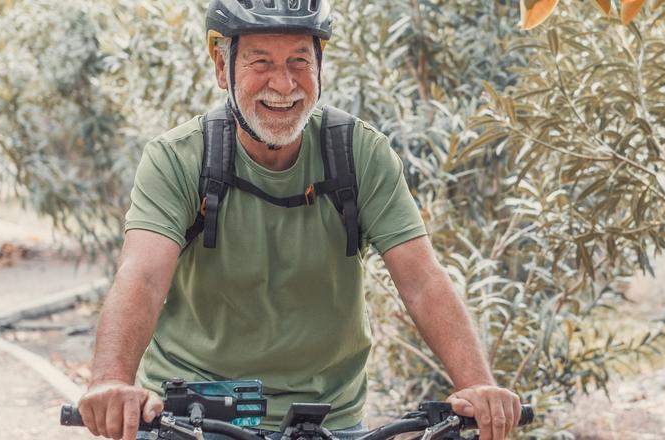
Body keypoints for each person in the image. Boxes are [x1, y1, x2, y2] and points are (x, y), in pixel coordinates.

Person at [76, 1, 522, 439]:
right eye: (260, 61)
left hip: (329, 420)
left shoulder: (358, 154)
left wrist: (477, 384)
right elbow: (143, 278)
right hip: (195, 415)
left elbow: (422, 281)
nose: (284, 83)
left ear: (320, 66)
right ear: (221, 67)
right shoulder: (178, 158)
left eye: (299, 60)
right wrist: (111, 381)